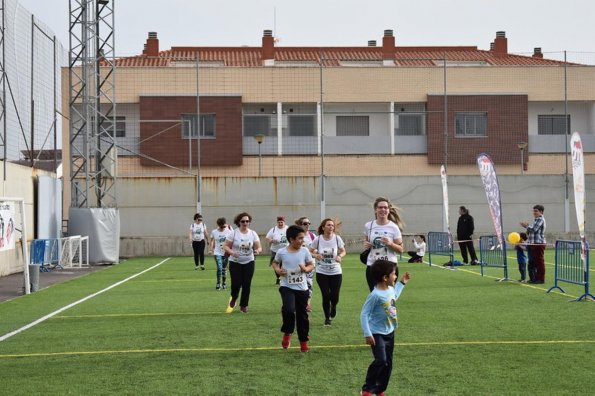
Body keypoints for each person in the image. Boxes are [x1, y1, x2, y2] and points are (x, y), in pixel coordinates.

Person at [360, 259, 411, 396]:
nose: (395, 276)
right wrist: (367, 333)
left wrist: (402, 283)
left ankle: (380, 389)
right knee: (381, 360)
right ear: (385, 278)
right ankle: (367, 388)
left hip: (390, 332)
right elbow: (364, 314)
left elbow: (394, 296)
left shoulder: (390, 289)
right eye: (394, 274)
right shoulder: (375, 295)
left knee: (388, 363)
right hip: (377, 333)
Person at [272, 225, 315, 353]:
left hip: (302, 288)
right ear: (291, 239)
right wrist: (278, 270)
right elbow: (275, 263)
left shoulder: (305, 251)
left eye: (303, 238)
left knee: (302, 316)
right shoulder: (282, 252)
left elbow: (311, 264)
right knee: (289, 310)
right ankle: (287, 332)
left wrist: (306, 269)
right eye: (300, 238)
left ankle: (303, 341)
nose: (303, 240)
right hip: (286, 286)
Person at [363, 197, 404, 292]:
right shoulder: (368, 226)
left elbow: (401, 249)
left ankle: (391, 307)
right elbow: (366, 243)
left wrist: (390, 244)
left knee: (388, 296)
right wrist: (366, 245)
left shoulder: (394, 227)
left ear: (389, 210)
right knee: (375, 295)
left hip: (389, 266)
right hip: (373, 266)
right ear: (375, 210)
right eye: (380, 207)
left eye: (385, 207)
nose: (383, 210)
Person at [310, 218, 346, 326]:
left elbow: (343, 250)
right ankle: (327, 317)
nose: (331, 227)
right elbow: (310, 250)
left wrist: (340, 256)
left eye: (332, 225)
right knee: (325, 295)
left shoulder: (337, 238)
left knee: (335, 297)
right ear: (323, 227)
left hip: (336, 272)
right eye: (328, 225)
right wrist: (316, 255)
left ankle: (333, 306)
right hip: (322, 272)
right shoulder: (318, 239)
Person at [223, 212, 262, 313]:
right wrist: (232, 252)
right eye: (243, 221)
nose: (245, 223)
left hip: (249, 261)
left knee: (246, 284)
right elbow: (225, 246)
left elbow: (259, 247)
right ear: (239, 222)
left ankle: (244, 305)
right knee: (236, 284)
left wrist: (257, 251)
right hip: (235, 262)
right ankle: (234, 298)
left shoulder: (253, 233)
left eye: (247, 221)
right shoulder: (234, 233)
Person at [520, 205, 546, 284]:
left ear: (541, 212)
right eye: (534, 211)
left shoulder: (540, 219)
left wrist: (526, 226)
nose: (534, 212)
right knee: (533, 262)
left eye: (536, 211)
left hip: (538, 244)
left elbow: (534, 229)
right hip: (533, 244)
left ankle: (541, 279)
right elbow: (532, 230)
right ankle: (534, 278)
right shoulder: (536, 220)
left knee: (539, 262)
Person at [296, 216, 316, 312]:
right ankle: (295, 302)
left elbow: (316, 250)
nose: (307, 225)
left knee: (309, 284)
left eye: (308, 223)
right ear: (300, 225)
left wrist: (314, 254)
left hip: (310, 265)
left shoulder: (313, 236)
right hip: (297, 265)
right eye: (305, 223)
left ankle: (307, 304)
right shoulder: (295, 236)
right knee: (298, 284)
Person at [209, 217, 233, 290]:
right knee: (219, 268)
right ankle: (218, 283)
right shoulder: (214, 232)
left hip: (225, 253)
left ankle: (224, 283)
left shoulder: (229, 231)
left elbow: (232, 240)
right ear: (218, 225)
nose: (223, 228)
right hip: (217, 252)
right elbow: (212, 240)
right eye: (221, 226)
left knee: (224, 269)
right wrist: (210, 249)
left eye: (224, 226)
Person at [265, 216, 289, 284]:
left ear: (284, 222)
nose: (280, 223)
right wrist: (272, 240)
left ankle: (282, 278)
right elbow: (267, 238)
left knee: (283, 265)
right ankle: (278, 277)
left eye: (282, 222)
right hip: (275, 250)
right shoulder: (273, 229)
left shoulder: (288, 228)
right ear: (277, 222)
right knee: (275, 265)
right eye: (279, 222)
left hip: (285, 250)